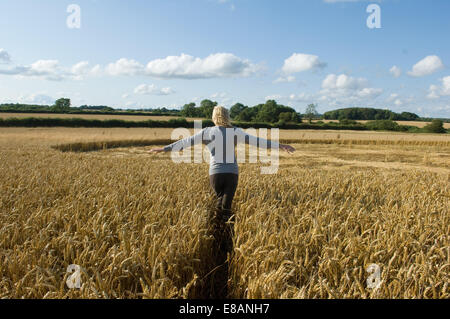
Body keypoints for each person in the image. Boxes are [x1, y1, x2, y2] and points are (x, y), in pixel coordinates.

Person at [149, 106, 295, 218]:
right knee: (226, 206)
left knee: (218, 204)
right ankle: (225, 232)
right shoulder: (236, 131)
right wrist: (281, 146)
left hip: (216, 174)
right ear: (227, 116)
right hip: (232, 173)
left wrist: (164, 149)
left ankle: (217, 233)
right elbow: (258, 142)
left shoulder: (207, 131)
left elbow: (186, 142)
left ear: (214, 117)